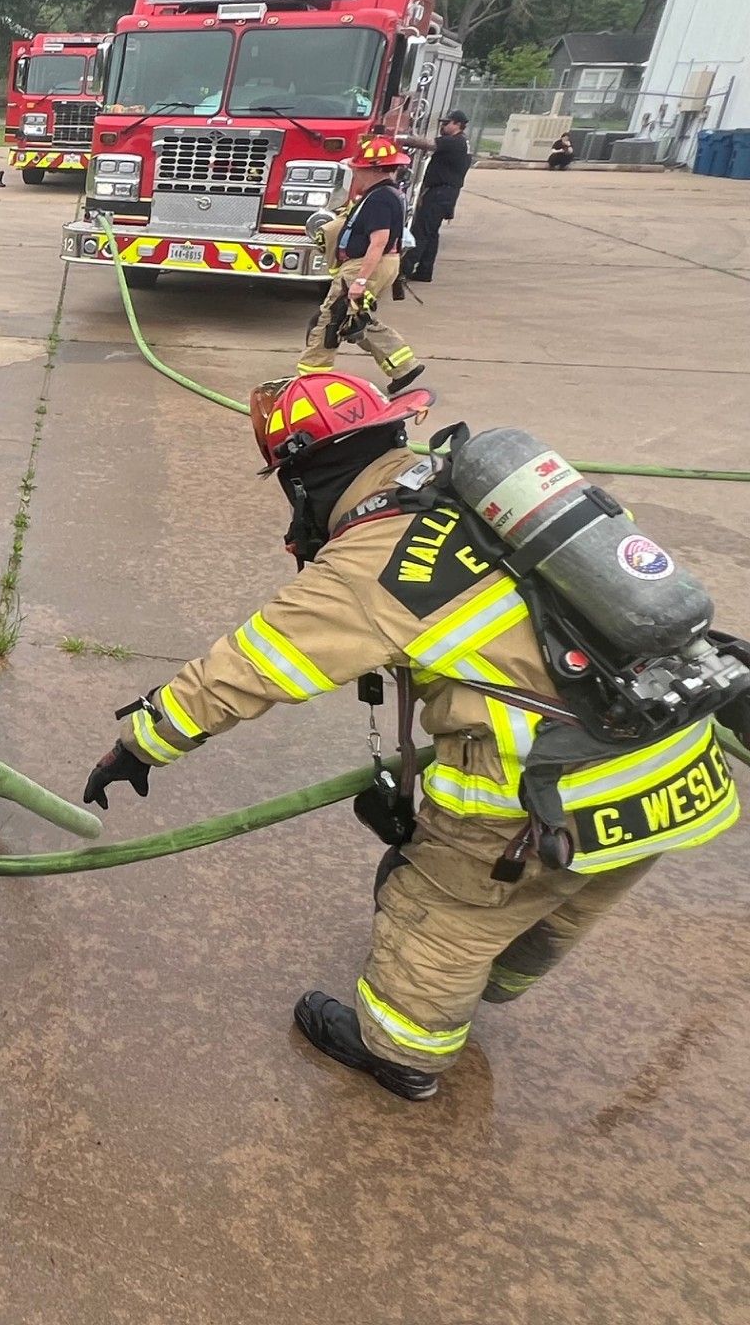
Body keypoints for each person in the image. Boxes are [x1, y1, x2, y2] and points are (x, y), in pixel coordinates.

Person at [80, 372, 741, 1101]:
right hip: (678, 763)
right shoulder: (485, 500)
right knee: (571, 895)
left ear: (302, 479)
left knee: (439, 913)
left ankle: (402, 1053)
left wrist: (140, 743)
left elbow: (250, 668)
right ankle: (502, 976)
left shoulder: (372, 561)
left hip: (545, 800)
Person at [298, 138, 421, 393]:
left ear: (373, 169)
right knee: (354, 320)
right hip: (379, 264)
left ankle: (310, 378)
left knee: (331, 320)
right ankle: (404, 366)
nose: (354, 172)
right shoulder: (388, 194)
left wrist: (360, 281)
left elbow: (378, 242)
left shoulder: (379, 200)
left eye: (359, 168)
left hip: (365, 265)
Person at [398, 111, 472, 283]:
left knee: (421, 231)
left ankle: (404, 270)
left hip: (441, 192)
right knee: (431, 234)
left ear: (457, 124)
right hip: (445, 192)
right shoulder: (461, 142)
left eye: (447, 123)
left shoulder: (455, 142)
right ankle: (425, 270)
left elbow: (427, 143)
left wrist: (401, 138)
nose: (443, 126)